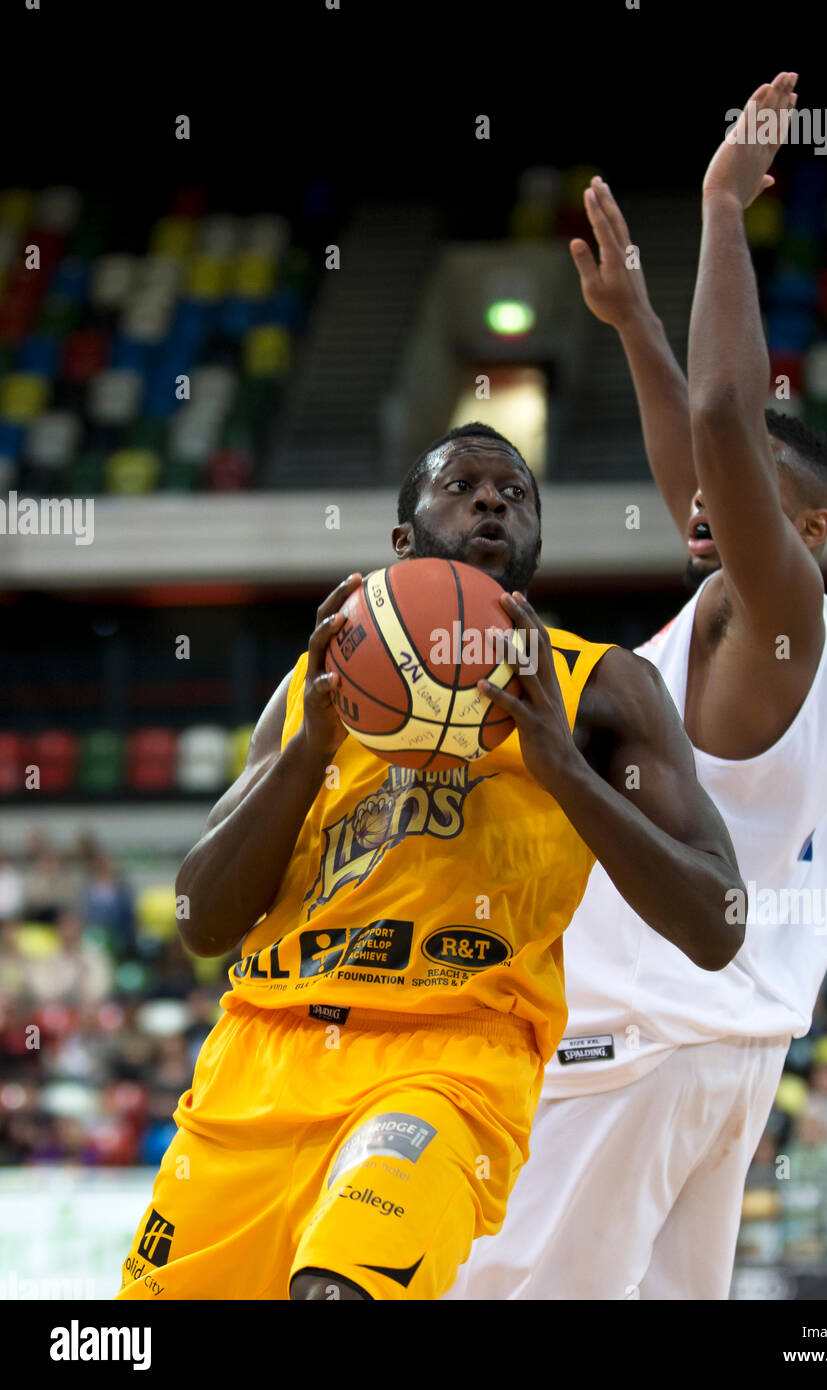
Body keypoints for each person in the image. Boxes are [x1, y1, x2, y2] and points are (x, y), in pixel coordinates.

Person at [117, 422, 745, 1302]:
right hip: (262, 1054)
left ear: (534, 543)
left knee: (341, 1291)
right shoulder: (317, 685)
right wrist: (307, 756)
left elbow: (718, 923)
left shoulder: (603, 687)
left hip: (451, 1057)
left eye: (515, 493)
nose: (493, 499)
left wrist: (564, 769)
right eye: (463, 486)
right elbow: (202, 922)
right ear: (402, 542)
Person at [451, 73, 827, 1302]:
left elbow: (721, 412)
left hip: (633, 1047)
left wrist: (720, 212)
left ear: (798, 523)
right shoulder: (774, 636)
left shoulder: (781, 611)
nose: (696, 498)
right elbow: (695, 448)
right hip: (722, 1055)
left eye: (730, 492)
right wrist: (631, 318)